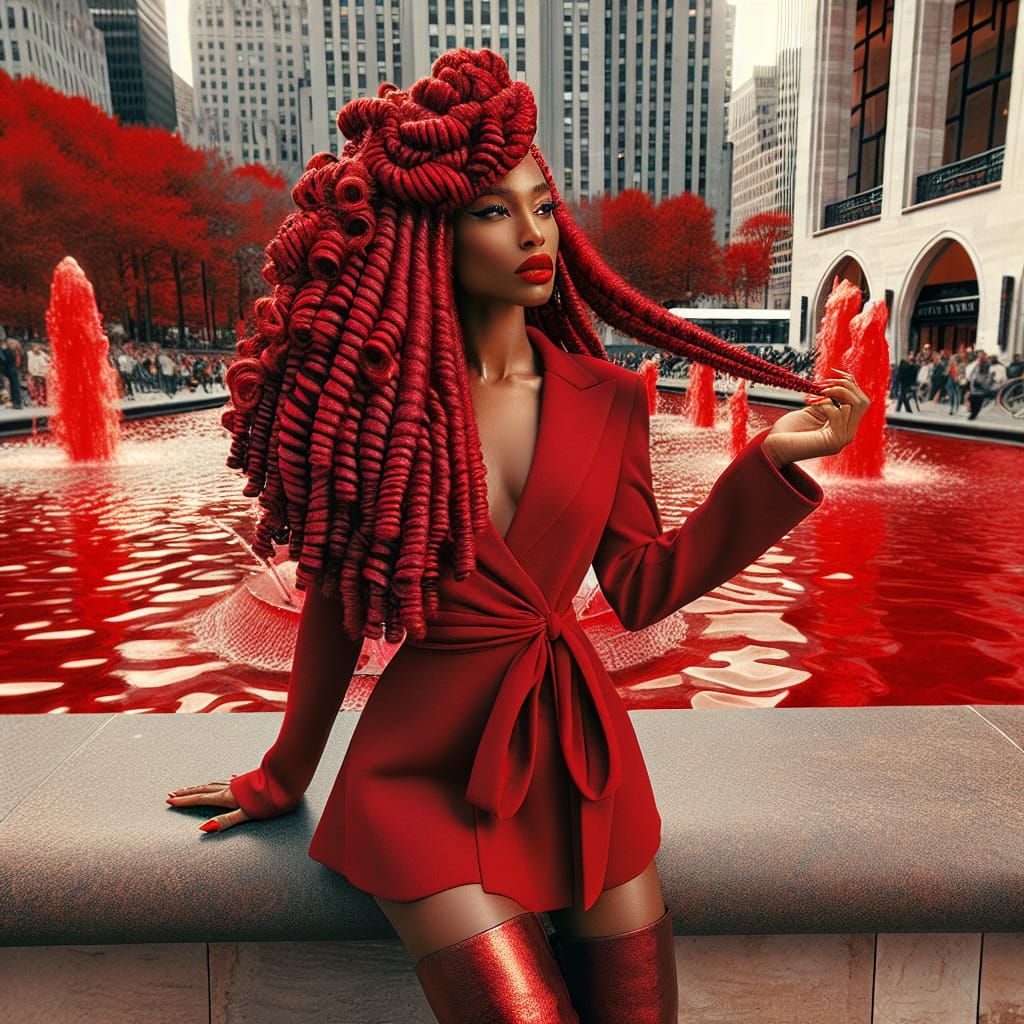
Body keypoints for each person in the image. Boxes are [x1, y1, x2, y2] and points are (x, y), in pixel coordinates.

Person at [166, 49, 868, 1022]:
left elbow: (641, 586)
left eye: (543, 206)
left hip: (580, 755)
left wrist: (770, 465)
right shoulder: (377, 408)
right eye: (495, 211)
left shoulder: (609, 398)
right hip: (418, 769)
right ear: (427, 235)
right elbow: (333, 601)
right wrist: (283, 775)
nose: (534, 234)